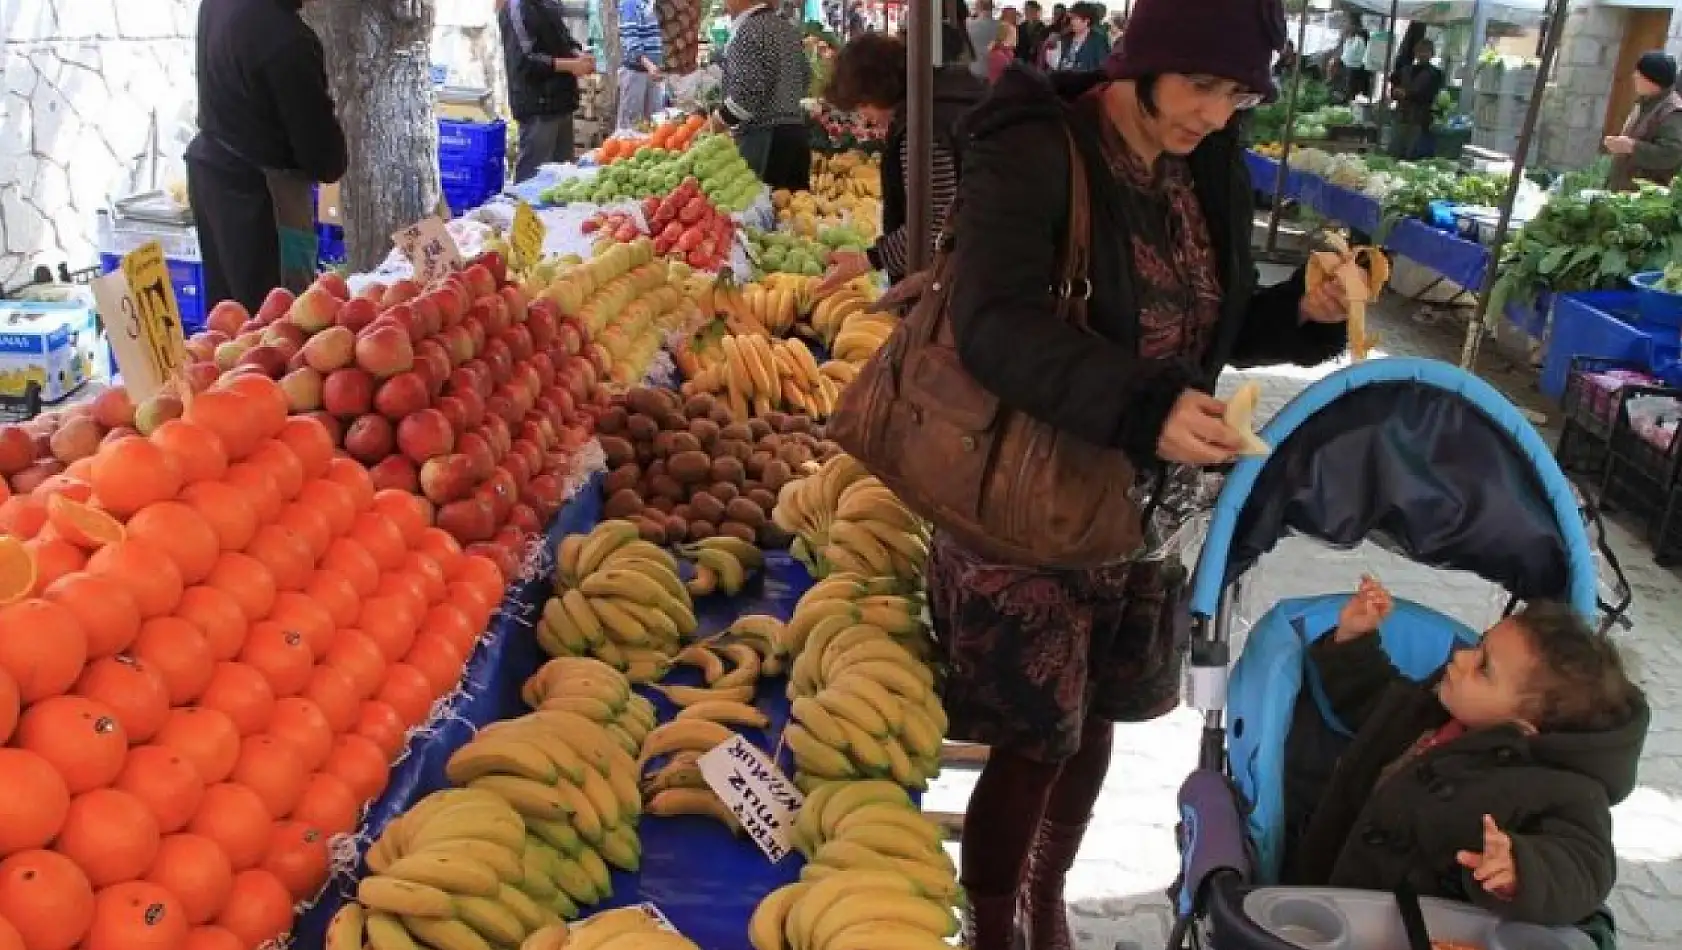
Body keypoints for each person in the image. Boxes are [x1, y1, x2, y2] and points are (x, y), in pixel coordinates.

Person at [926, 0, 1352, 944]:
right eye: (1201, 84)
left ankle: (1049, 892)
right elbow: (992, 325)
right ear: (1143, 60)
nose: (1215, 111)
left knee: (1099, 716)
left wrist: (1309, 314)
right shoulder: (1034, 148)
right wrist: (1144, 407)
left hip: (1144, 512)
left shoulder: (1205, 164)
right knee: (1032, 739)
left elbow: (1214, 321)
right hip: (1031, 499)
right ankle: (994, 917)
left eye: (1238, 94)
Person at [1282, 577, 1646, 929]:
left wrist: (1522, 870)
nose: (1461, 655)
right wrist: (1353, 639)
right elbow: (1369, 698)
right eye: (1479, 644)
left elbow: (1585, 864)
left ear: (1523, 727)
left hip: (1417, 931)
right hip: (1326, 892)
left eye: (1483, 667)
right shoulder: (1427, 713)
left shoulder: (1563, 789)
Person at [187, 0, 346, 312]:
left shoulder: (218, 5)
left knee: (229, 320)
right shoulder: (286, 40)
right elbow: (325, 159)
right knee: (281, 327)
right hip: (265, 204)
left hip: (212, 176)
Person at [817, 32, 986, 291]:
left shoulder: (923, 129)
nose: (865, 118)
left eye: (863, 106)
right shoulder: (949, 93)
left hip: (970, 281)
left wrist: (867, 261)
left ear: (876, 91)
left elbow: (933, 229)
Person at [714, 0, 812, 190]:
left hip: (765, 143)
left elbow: (747, 94)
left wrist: (718, 120)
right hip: (797, 137)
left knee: (765, 211)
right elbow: (805, 77)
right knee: (793, 211)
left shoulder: (747, 31)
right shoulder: (787, 29)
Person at [500, 0, 596, 183]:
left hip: (562, 101)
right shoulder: (517, 7)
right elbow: (524, 62)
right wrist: (571, 65)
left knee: (562, 179)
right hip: (538, 105)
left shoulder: (548, 3)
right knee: (531, 179)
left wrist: (578, 54)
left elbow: (564, 40)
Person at [1605, 51, 1682, 191]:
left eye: (1639, 74)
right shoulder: (1645, 102)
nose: (1634, 76)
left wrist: (1632, 147)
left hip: (1643, 199)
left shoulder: (1673, 112)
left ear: (1653, 79)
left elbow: (1672, 153)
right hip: (1623, 191)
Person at [1388, 38, 1443, 159]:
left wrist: (1406, 94)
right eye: (1420, 51)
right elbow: (1393, 85)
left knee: (1412, 153)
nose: (1423, 54)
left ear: (1432, 54)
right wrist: (1395, 92)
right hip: (1401, 116)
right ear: (1415, 52)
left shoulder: (1436, 74)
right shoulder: (1405, 70)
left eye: (1426, 51)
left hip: (1420, 119)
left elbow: (1429, 96)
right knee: (1395, 150)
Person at [616, 0, 664, 129]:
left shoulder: (647, 3)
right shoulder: (630, 3)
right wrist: (649, 65)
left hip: (650, 71)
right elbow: (630, 39)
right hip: (635, 72)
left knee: (652, 123)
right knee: (630, 125)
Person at [1055, 2, 1108, 71]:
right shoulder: (1066, 38)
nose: (1072, 22)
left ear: (1086, 21)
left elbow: (1102, 68)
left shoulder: (1098, 41)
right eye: (1071, 18)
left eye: (1075, 19)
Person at [967, 0, 999, 80]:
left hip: (974, 69)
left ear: (977, 7)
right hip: (995, 70)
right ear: (992, 7)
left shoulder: (969, 24)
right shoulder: (1000, 26)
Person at [1340, 20, 1370, 100]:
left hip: (1355, 67)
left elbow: (1350, 55)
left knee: (1352, 88)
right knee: (1354, 88)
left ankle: (1351, 99)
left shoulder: (1358, 40)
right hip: (1358, 67)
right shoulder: (1357, 38)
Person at [1017, 1, 1050, 65]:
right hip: (1021, 61)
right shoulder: (1021, 26)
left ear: (1036, 11)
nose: (1026, 12)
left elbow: (1041, 47)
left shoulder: (1042, 28)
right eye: (1025, 10)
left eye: (1029, 10)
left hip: (1035, 62)